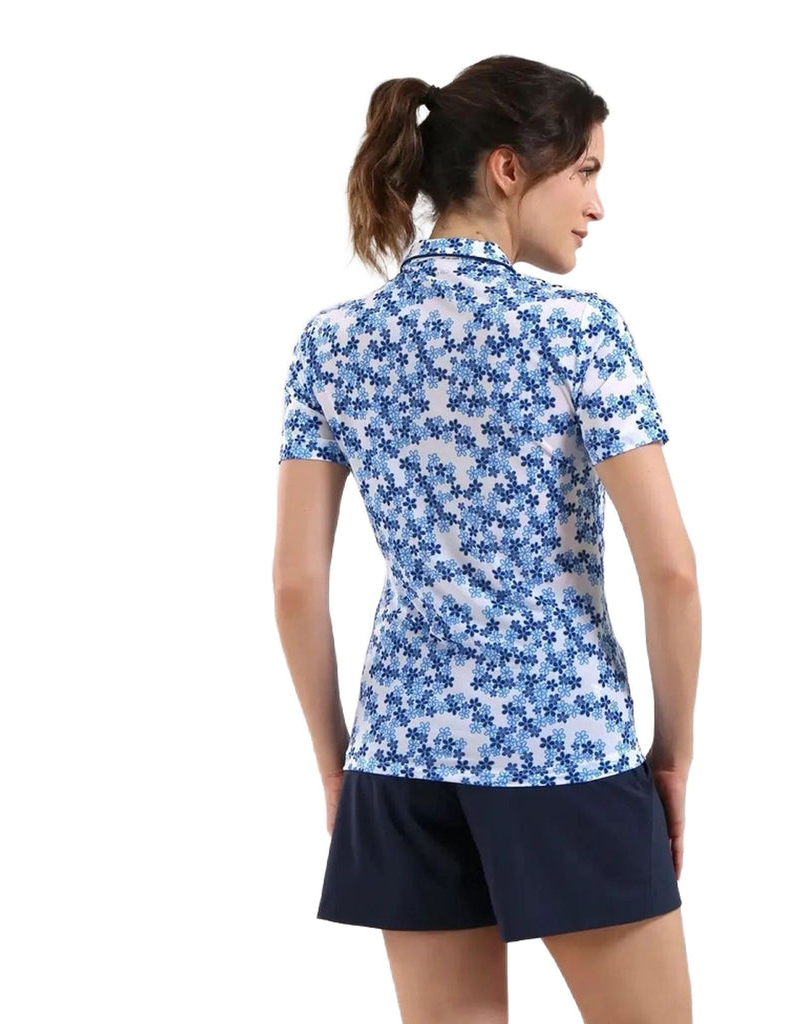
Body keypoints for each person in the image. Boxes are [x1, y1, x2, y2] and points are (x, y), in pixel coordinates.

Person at [273, 54, 700, 1024]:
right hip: (566, 750)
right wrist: (671, 755)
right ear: (508, 168)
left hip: (400, 757)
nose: (597, 205)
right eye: (584, 171)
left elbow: (295, 583)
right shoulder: (579, 331)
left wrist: (339, 763)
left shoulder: (332, 344)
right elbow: (671, 570)